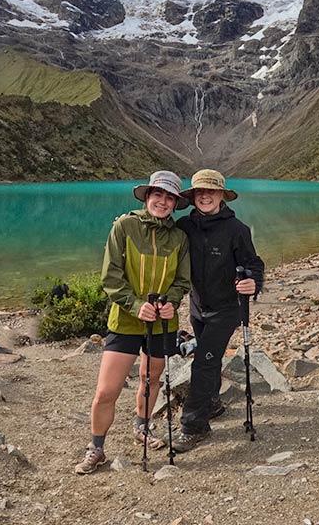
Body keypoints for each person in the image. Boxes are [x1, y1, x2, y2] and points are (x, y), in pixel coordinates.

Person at [74, 170, 191, 475]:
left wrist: (172, 302)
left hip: (163, 323)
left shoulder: (179, 237)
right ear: (147, 196)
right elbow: (110, 276)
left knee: (150, 380)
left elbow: (182, 280)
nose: (162, 202)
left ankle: (142, 426)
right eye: (158, 195)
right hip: (125, 321)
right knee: (106, 391)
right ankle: (96, 448)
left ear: (175, 203)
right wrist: (136, 305)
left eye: (169, 197)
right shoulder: (124, 226)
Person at [172, 169, 264, 453]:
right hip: (198, 307)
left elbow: (253, 265)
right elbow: (161, 238)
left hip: (226, 310)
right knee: (208, 360)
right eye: (200, 191)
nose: (205, 196)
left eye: (211, 191)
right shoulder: (184, 226)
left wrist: (253, 283)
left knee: (203, 361)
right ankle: (211, 403)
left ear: (222, 195)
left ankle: (194, 426)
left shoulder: (237, 230)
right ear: (193, 196)